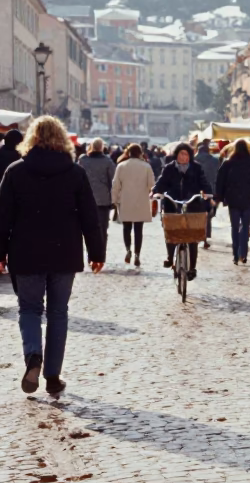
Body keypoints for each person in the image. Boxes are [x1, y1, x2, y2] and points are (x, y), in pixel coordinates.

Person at [0, 116, 104, 395]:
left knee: (30, 309)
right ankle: (53, 376)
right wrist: (97, 252)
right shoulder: (75, 173)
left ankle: (33, 355)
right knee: (58, 313)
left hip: (26, 250)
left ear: (31, 138)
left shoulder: (15, 171)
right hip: (64, 251)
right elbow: (89, 217)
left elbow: (3, 218)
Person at [152, 142, 213, 281]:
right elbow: (161, 182)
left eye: (186, 154)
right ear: (176, 154)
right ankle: (169, 257)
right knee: (171, 231)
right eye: (181, 154)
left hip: (192, 203)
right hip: (172, 203)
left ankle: (192, 268)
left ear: (189, 156)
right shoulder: (169, 168)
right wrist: (156, 192)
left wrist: (208, 193)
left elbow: (204, 182)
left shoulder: (196, 168)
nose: (183, 157)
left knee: (192, 237)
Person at [216, 140, 250, 265]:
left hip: (233, 200)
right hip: (249, 199)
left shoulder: (228, 163)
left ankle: (235, 255)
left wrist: (220, 197)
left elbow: (220, 181)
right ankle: (243, 254)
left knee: (235, 227)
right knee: (245, 227)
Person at [112, 144, 154, 266]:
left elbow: (115, 185)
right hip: (141, 201)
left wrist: (114, 200)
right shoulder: (146, 166)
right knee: (138, 229)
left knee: (126, 227)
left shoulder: (121, 166)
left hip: (125, 200)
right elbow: (152, 184)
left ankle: (128, 250)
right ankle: (137, 254)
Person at [78, 138, 117, 249]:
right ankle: (100, 252)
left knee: (87, 228)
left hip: (85, 199)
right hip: (103, 199)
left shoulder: (83, 160)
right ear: (102, 147)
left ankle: (91, 253)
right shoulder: (107, 161)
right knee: (102, 228)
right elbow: (113, 180)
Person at [195, 140, 221, 249]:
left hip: (196, 191)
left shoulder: (192, 161)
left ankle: (199, 235)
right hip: (212, 191)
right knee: (208, 214)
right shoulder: (215, 161)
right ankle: (205, 236)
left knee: (196, 214)